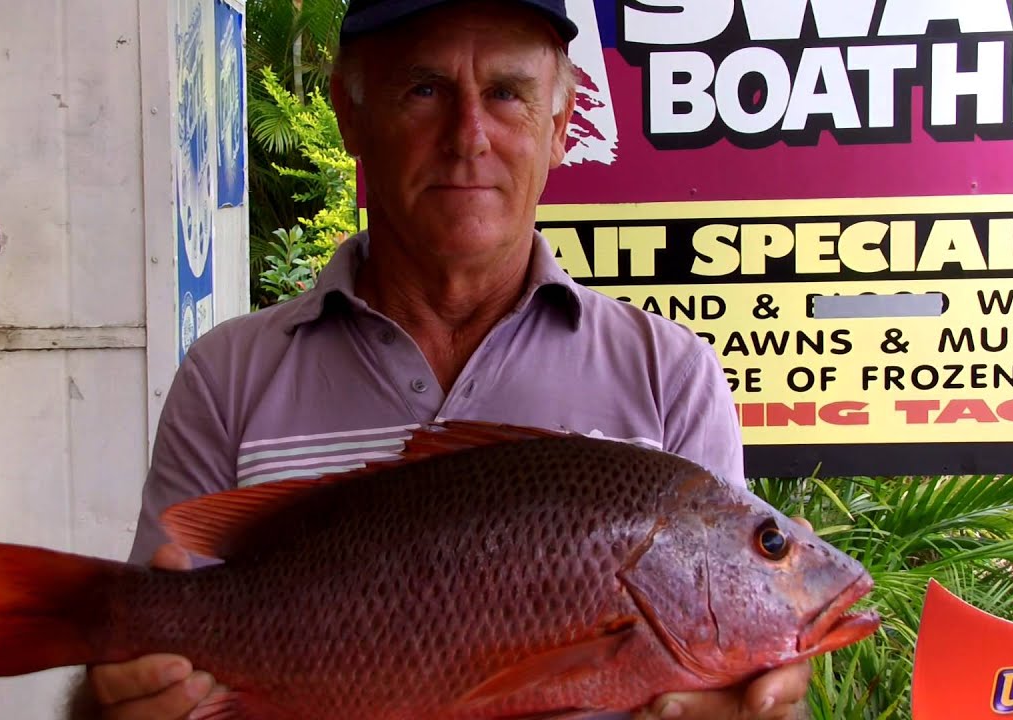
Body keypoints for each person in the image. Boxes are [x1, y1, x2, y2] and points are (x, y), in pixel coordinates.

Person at [72, 0, 812, 717]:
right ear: (349, 114)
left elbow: (720, 681)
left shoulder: (670, 378)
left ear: (561, 124)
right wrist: (114, 700)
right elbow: (133, 675)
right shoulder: (227, 378)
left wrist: (751, 709)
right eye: (425, 89)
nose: (469, 136)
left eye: (507, 93)